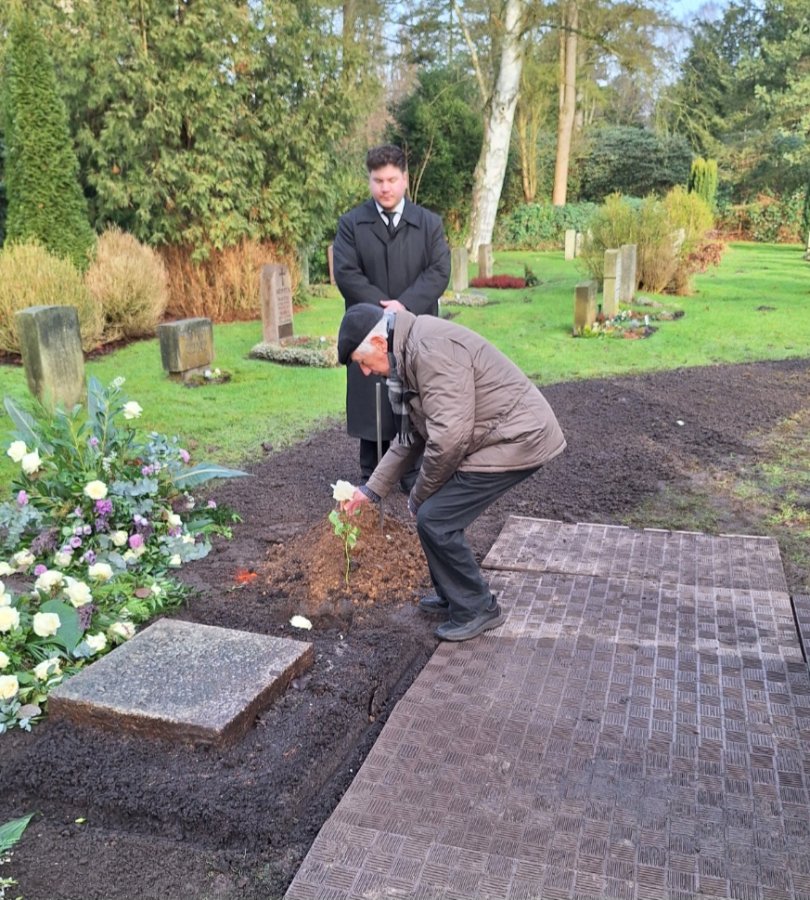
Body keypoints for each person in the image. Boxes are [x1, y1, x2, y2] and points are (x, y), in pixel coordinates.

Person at [335, 304, 567, 642]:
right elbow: (411, 436)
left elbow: (448, 438)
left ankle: (477, 607)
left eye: (364, 362)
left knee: (435, 518)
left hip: (517, 436)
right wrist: (370, 491)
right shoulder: (406, 353)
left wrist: (419, 494)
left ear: (380, 344)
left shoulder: (430, 351)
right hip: (493, 435)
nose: (366, 372)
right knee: (433, 515)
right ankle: (452, 595)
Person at [332, 144, 450, 488]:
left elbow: (439, 270)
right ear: (370, 180)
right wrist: (381, 310)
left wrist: (405, 305)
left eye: (392, 180)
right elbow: (346, 273)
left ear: (405, 179)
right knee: (372, 394)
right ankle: (371, 472)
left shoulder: (428, 224)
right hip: (369, 329)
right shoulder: (351, 224)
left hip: (416, 325)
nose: (385, 187)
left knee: (415, 392)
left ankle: (415, 473)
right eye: (378, 180)